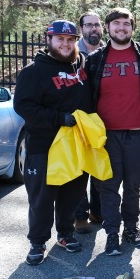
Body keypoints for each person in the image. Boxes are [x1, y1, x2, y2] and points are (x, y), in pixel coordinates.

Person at [86, 8, 140, 256]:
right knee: (108, 187)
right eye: (116, 24)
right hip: (106, 137)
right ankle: (112, 234)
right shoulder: (96, 60)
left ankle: (131, 228)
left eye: (126, 24)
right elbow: (84, 97)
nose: (121, 28)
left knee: (133, 186)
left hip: (139, 134)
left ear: (133, 27)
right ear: (108, 28)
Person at [14, 20, 92, 265]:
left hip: (76, 147)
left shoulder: (80, 67)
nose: (66, 44)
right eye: (60, 39)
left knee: (72, 194)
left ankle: (65, 234)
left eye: (70, 39)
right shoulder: (34, 72)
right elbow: (24, 107)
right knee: (42, 199)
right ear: (48, 40)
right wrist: (60, 119)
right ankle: (38, 242)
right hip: (44, 148)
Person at [73, 11, 104, 233]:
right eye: (89, 25)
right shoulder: (73, 54)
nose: (93, 29)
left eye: (97, 25)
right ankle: (80, 215)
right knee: (81, 168)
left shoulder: (107, 51)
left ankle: (97, 211)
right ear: (81, 28)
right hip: (80, 119)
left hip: (103, 118)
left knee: (100, 167)